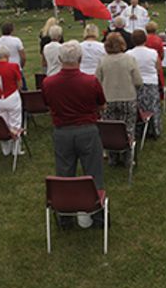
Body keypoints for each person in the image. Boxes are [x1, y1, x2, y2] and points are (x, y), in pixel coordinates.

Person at [42, 41, 106, 227]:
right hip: (87, 130)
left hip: (62, 131)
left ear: (61, 59)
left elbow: (48, 105)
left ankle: (66, 214)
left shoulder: (48, 83)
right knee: (94, 171)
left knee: (64, 172)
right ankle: (96, 214)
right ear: (80, 58)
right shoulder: (90, 81)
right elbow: (101, 104)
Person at [95, 33, 141, 167]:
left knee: (110, 128)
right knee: (128, 127)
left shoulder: (103, 61)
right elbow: (138, 81)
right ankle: (128, 158)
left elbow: (96, 81)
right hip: (127, 97)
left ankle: (113, 158)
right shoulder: (130, 59)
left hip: (108, 98)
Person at [0, 46, 24, 156]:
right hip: (12, 96)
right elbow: (19, 83)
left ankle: (5, 149)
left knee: (3, 123)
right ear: (7, 56)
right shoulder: (13, 66)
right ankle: (16, 149)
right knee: (15, 123)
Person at [130, 30, 163, 139]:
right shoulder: (153, 53)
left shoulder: (129, 54)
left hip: (135, 84)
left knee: (137, 108)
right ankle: (154, 129)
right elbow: (158, 67)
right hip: (150, 83)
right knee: (152, 107)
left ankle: (138, 130)